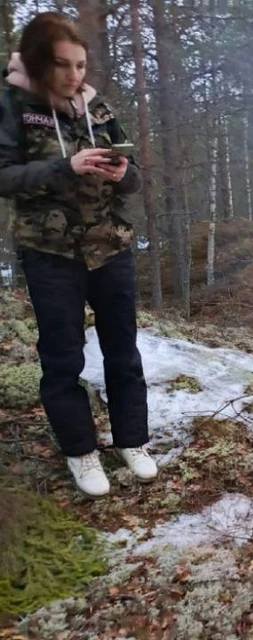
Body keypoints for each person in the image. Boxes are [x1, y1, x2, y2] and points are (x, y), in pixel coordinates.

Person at [0, 12, 156, 497]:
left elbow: (134, 179)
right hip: (51, 253)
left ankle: (132, 441)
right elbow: (5, 176)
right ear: (39, 63)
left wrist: (121, 173)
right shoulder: (14, 105)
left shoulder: (98, 107)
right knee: (63, 359)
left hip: (110, 247)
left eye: (81, 65)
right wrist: (65, 167)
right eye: (63, 65)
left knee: (124, 352)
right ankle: (81, 451)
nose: (74, 76)